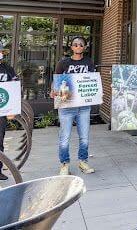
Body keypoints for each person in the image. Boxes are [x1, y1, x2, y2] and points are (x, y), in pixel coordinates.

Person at [51, 36, 96, 175]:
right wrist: (53, 90)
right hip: (66, 106)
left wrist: (97, 92)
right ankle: (64, 164)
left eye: (81, 45)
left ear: (84, 47)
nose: (78, 46)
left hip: (83, 106)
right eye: (75, 44)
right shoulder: (63, 63)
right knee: (64, 137)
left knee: (84, 137)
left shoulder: (89, 62)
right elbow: (56, 81)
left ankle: (83, 162)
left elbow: (93, 81)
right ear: (71, 47)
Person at [0, 45, 18, 181]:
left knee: (0, 141)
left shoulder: (8, 69)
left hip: (2, 110)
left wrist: (13, 109)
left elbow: (15, 87)